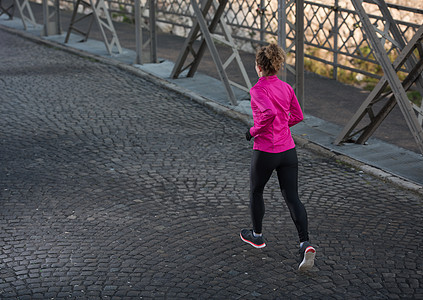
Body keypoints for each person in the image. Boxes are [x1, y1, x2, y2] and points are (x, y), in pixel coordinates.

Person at [240, 43, 316, 271]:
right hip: (288, 150)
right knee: (293, 197)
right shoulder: (286, 87)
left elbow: (269, 114)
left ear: (259, 67)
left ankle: (257, 235)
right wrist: (284, 125)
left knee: (256, 191)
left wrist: (252, 131)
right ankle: (305, 243)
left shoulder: (257, 90)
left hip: (266, 150)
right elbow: (298, 115)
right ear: (277, 65)